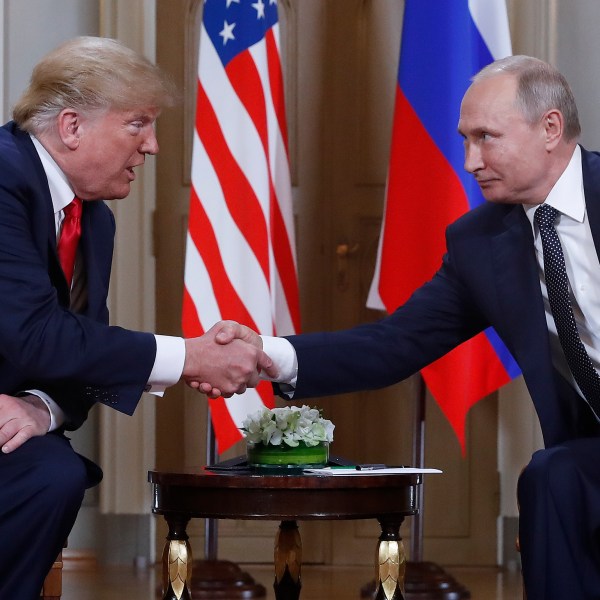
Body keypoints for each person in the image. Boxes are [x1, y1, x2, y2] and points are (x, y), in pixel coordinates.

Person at [209, 55, 600, 600]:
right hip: (591, 451)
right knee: (552, 477)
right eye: (465, 140)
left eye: (486, 138)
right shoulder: (480, 242)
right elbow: (395, 344)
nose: (470, 161)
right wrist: (272, 356)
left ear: (550, 128)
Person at [0, 36, 274, 599]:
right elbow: (35, 335)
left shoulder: (92, 216)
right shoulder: (2, 180)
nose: (151, 147)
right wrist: (190, 355)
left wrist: (40, 408)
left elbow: (81, 345)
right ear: (72, 127)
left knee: (53, 473)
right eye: (137, 124)